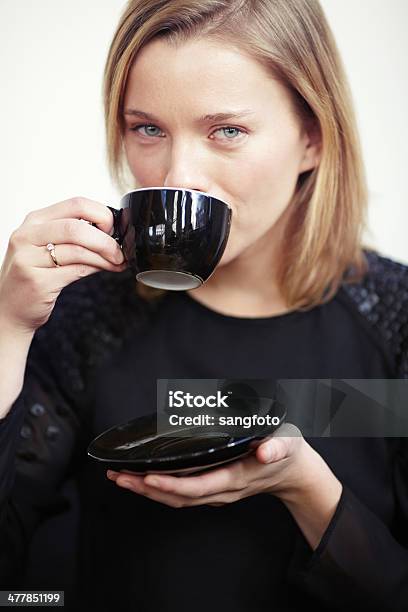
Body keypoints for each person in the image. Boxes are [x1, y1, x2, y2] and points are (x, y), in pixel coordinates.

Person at [0, 1, 407, 610]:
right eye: (149, 129)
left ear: (312, 140)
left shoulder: (394, 319)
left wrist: (308, 489)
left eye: (227, 131)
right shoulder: (84, 316)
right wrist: (6, 328)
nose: (178, 174)